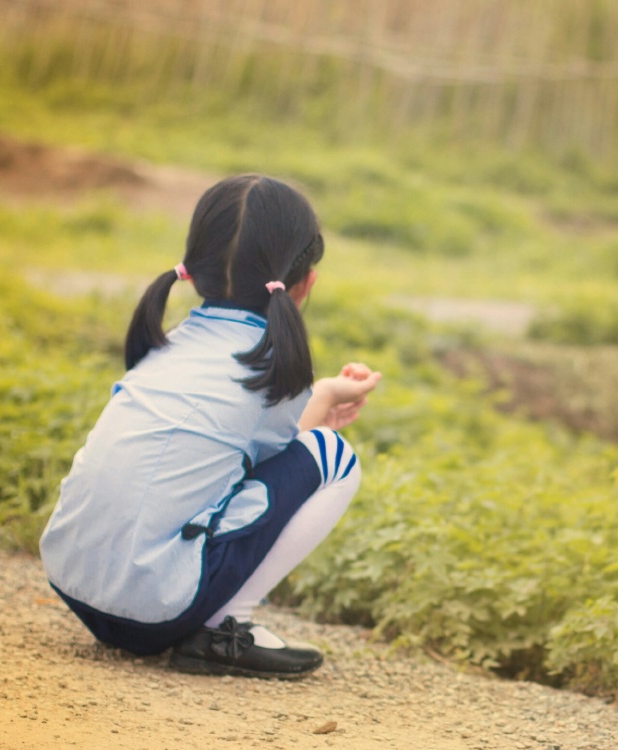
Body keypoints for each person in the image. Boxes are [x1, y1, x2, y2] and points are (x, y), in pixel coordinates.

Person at [40, 174, 381, 680]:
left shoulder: (171, 342)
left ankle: (207, 618)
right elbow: (269, 479)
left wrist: (322, 397)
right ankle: (227, 630)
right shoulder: (270, 365)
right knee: (333, 456)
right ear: (305, 283)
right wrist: (324, 399)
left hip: (73, 581)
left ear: (194, 274)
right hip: (152, 610)